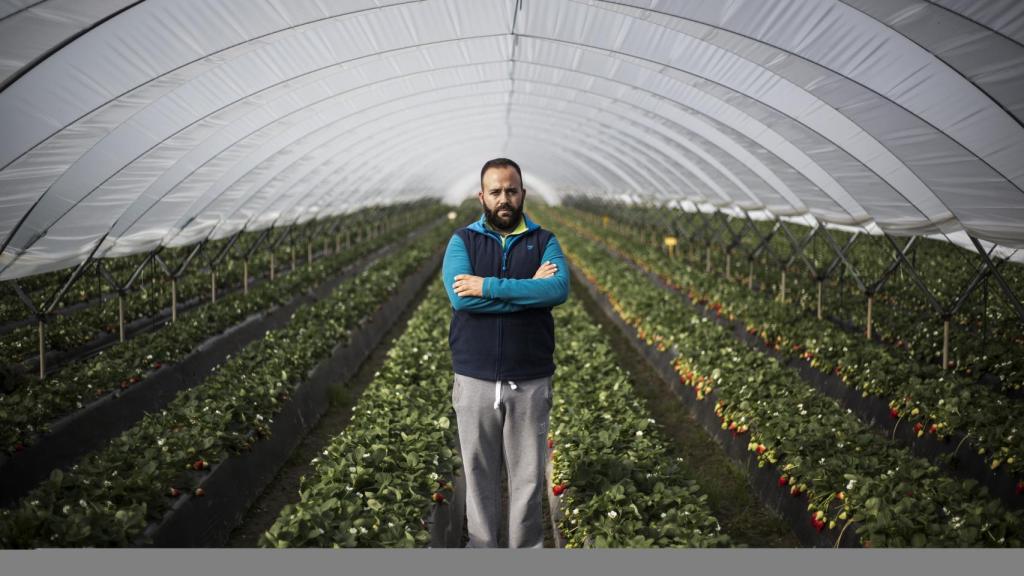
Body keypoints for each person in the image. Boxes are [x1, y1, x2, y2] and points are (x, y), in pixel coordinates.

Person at [442, 157, 570, 548]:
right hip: (474, 378)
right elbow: (461, 299)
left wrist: (489, 288)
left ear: (522, 194)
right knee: (478, 474)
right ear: (481, 196)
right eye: (495, 191)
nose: (504, 199)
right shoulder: (462, 241)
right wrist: (527, 291)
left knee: (528, 478)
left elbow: (557, 289)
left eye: (511, 191)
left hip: (529, 379)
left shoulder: (544, 241)